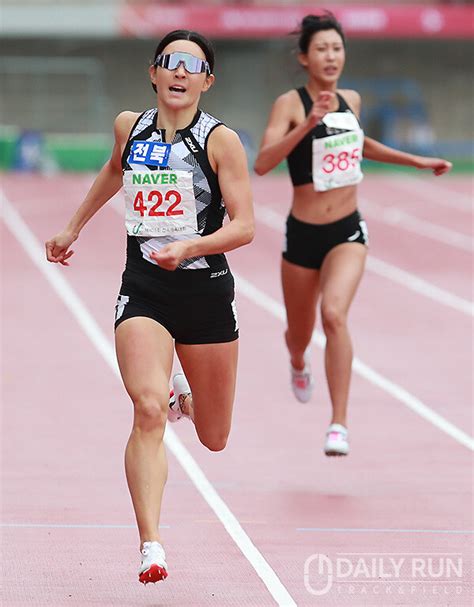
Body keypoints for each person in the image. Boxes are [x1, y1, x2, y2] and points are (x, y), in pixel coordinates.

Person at [45, 30, 254, 584]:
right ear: (154, 72)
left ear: (207, 80)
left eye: (193, 66)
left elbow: (245, 226)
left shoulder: (220, 142)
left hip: (206, 291)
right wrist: (72, 228)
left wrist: (190, 246)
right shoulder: (129, 127)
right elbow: (116, 170)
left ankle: (187, 400)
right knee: (145, 407)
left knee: (214, 436)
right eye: (171, 63)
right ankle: (152, 545)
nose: (180, 73)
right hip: (145, 290)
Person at [254, 12, 452, 457]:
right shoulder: (289, 104)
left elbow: (361, 144)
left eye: (337, 48)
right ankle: (298, 362)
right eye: (321, 48)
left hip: (347, 230)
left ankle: (338, 423)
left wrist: (417, 162)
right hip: (302, 235)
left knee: (336, 315)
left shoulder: (352, 100)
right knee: (299, 334)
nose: (330, 56)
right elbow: (263, 163)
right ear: (304, 57)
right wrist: (307, 123)